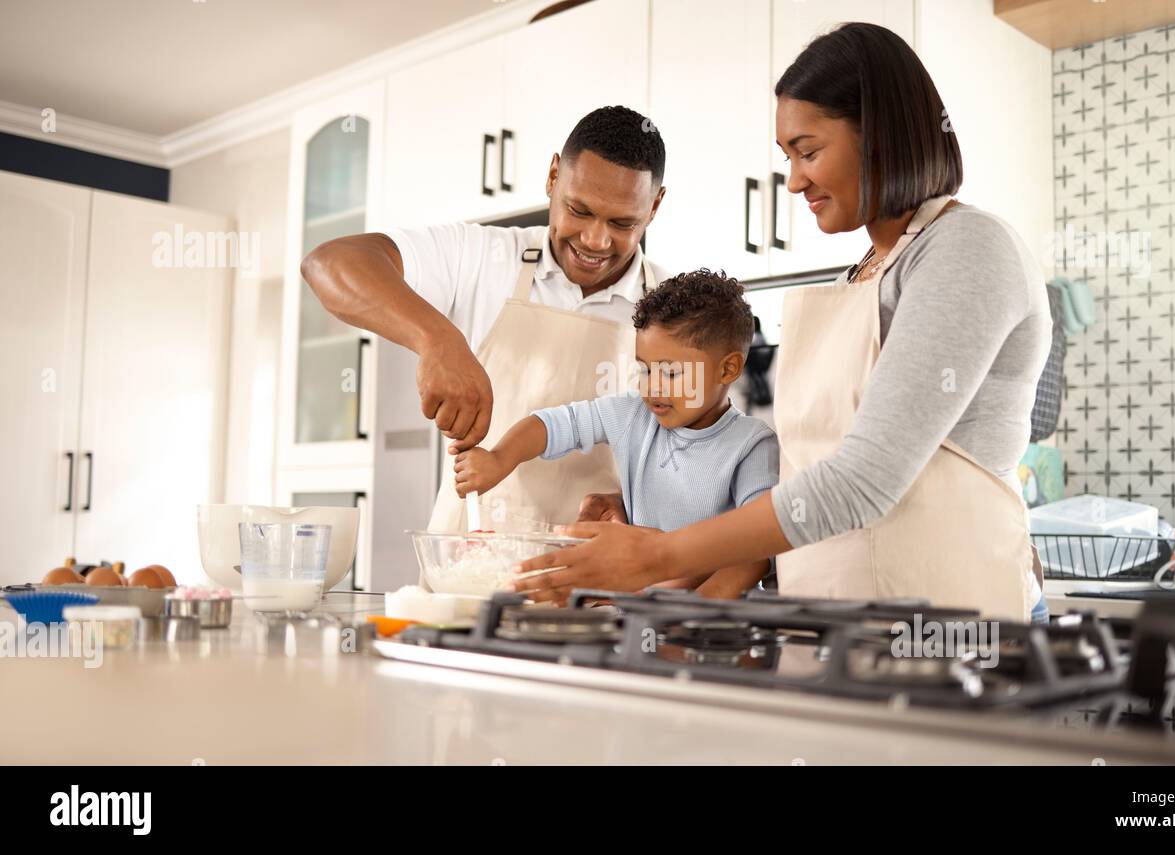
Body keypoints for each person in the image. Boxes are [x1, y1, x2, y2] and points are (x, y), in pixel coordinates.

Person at [515, 23, 1052, 622]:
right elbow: (804, 487)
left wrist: (660, 553)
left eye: (808, 150)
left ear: (880, 137)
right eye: (787, 157)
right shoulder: (864, 274)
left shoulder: (967, 249)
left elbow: (862, 483)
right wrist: (663, 515)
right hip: (842, 631)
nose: (794, 180)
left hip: (957, 628)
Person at [301, 105, 669, 531]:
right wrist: (438, 341)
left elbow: (698, 461)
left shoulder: (675, 306)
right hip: (471, 563)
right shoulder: (480, 255)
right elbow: (330, 263)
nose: (595, 239)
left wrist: (640, 505)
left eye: (622, 223)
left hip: (598, 583)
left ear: (655, 206)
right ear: (553, 176)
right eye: (579, 211)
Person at [452, 270, 777, 600]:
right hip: (633, 614)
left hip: (709, 628)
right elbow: (552, 425)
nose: (652, 387)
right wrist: (499, 459)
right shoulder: (633, 413)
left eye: (671, 373)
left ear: (728, 369)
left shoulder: (752, 445)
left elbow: (757, 550)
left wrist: (690, 617)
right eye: (644, 369)